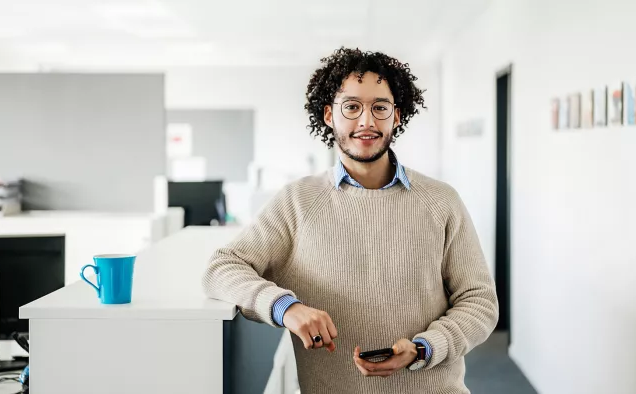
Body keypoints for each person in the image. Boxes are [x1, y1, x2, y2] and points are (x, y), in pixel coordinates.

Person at [202, 47, 498, 394]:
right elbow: (222, 268)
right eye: (352, 106)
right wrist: (286, 307)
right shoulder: (298, 201)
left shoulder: (441, 201)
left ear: (397, 116)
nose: (367, 121)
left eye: (380, 107)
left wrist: (423, 348)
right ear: (329, 115)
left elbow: (479, 301)